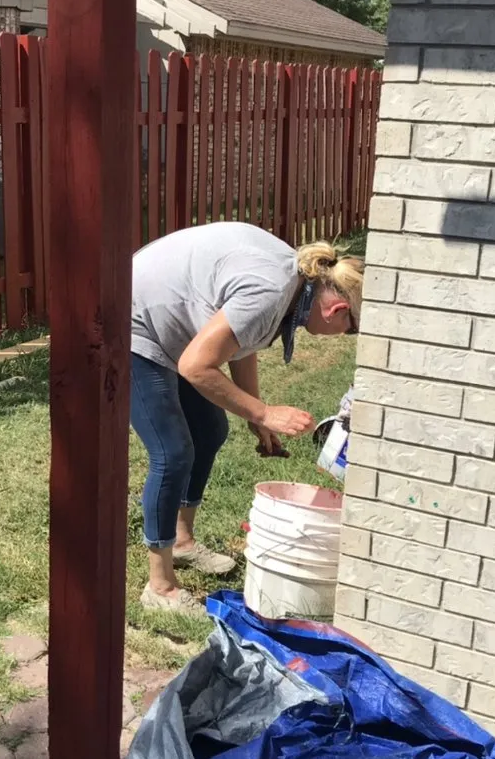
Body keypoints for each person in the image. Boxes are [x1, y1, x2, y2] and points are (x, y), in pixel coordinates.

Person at [130, 221, 365, 615]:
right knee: (172, 452)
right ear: (338, 309)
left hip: (176, 324)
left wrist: (254, 414)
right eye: (349, 330)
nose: (341, 336)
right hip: (133, 320)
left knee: (209, 430)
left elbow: (240, 342)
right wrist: (265, 412)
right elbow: (196, 366)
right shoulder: (272, 291)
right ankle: (160, 585)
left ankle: (183, 542)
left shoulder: (293, 283)